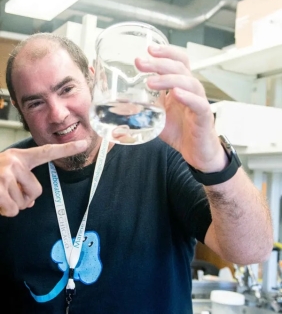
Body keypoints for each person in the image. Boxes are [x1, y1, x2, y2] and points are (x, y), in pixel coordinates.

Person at [0, 32, 273, 314]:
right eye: (35, 103)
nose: (58, 114)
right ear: (19, 110)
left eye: (67, 89)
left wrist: (214, 160)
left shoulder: (161, 154)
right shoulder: (9, 176)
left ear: (94, 80)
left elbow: (252, 250)